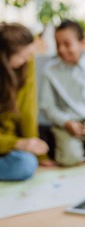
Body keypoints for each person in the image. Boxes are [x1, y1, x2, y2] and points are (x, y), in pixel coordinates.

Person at [40, 20, 85, 166]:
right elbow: (47, 107)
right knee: (69, 160)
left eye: (67, 44)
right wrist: (66, 122)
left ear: (82, 43)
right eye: (57, 44)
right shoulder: (50, 71)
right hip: (67, 124)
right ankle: (78, 148)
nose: (61, 49)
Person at [0, 22, 49, 181]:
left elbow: (28, 110)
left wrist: (38, 154)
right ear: (4, 57)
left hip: (11, 144)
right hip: (8, 142)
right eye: (22, 56)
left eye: (29, 54)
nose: (27, 60)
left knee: (27, 163)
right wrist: (19, 144)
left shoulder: (27, 63)